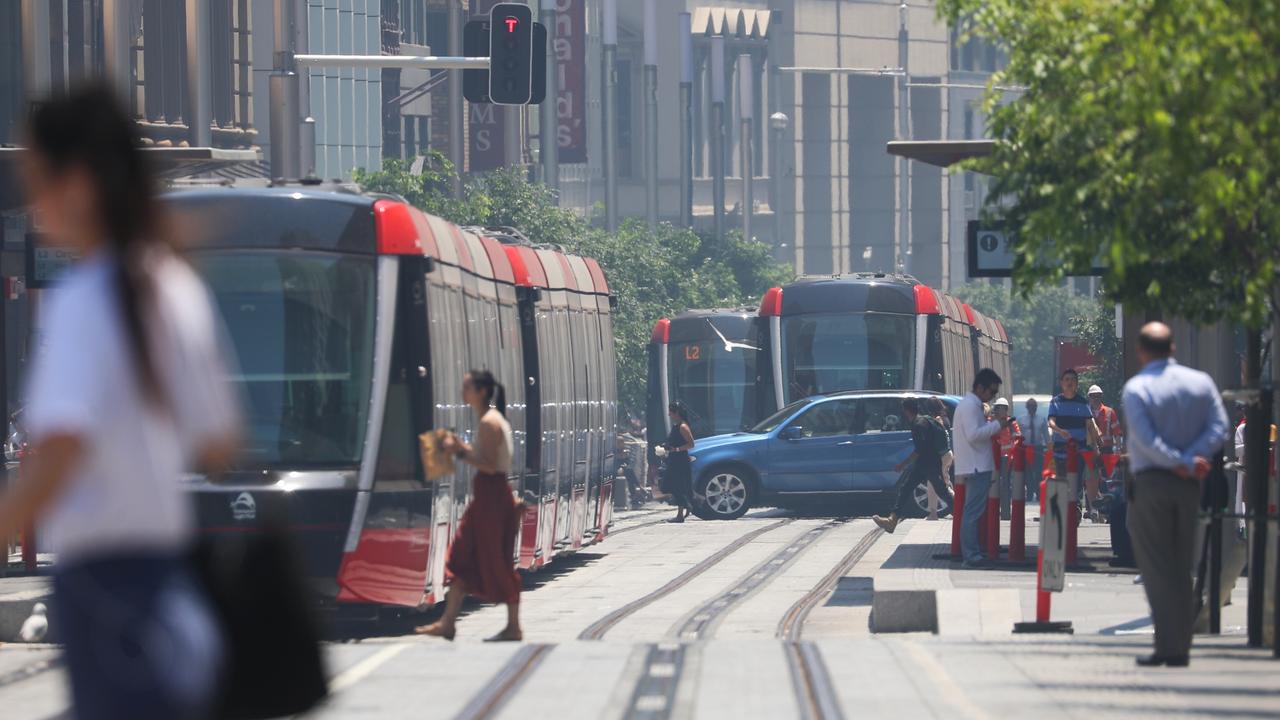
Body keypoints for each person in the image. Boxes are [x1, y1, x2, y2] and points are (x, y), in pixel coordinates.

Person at [0, 85, 239, 719]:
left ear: (77, 183)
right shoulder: (173, 284)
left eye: (37, 179)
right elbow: (218, 441)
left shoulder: (87, 299)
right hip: (171, 592)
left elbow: (59, 451)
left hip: (105, 596)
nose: (32, 200)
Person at [1122, 322, 1228, 667]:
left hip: (1152, 482)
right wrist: (1192, 458)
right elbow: (1219, 427)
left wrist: (1177, 461)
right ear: (1173, 349)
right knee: (1183, 564)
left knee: (1156, 566)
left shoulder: (1137, 388)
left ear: (1141, 351)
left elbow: (1144, 438)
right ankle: (1179, 644)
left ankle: (1168, 645)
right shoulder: (1201, 383)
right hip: (1189, 484)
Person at [417, 370, 523, 642]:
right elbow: (485, 457)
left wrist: (459, 452)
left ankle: (513, 626)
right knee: (463, 558)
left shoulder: (490, 422)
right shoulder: (489, 419)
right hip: (488, 497)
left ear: (481, 391)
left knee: (493, 560)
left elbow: (487, 465)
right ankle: (448, 623)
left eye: (467, 387)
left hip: (492, 497)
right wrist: (460, 447)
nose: (462, 392)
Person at [952, 368, 1010, 568]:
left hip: (975, 464)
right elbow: (974, 434)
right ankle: (971, 556)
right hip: (976, 465)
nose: (993, 397)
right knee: (972, 512)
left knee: (972, 511)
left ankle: (972, 554)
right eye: (991, 392)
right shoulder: (970, 407)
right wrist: (997, 426)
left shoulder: (970, 405)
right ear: (980, 388)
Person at [873, 398, 953, 533]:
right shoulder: (922, 420)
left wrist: (902, 464)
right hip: (924, 464)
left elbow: (919, 450)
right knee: (906, 488)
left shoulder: (919, 424)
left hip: (929, 463)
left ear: (906, 410)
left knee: (942, 492)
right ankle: (892, 520)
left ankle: (965, 518)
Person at [1048, 369, 1103, 507]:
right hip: (1060, 450)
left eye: (1072, 379)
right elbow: (1051, 422)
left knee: (1077, 480)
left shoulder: (1083, 403)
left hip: (1079, 450)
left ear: (1077, 383)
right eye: (1067, 379)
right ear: (1062, 383)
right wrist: (1060, 431)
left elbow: (1090, 425)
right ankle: (1063, 507)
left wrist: (1096, 444)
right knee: (1062, 480)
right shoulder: (1055, 402)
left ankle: (1076, 506)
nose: (1069, 382)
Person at [662, 401, 696, 523]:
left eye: (671, 412)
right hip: (673, 460)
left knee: (678, 486)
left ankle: (681, 513)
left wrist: (676, 449)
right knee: (669, 485)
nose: (669, 414)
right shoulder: (676, 426)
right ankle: (688, 505)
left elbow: (691, 444)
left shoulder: (683, 427)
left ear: (677, 413)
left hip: (680, 461)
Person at [992, 398, 1022, 519]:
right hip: (993, 458)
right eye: (997, 408)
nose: (999, 411)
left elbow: (1018, 435)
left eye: (1001, 408)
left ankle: (1005, 513)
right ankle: (994, 511)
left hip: (1007, 458)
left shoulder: (1011, 422)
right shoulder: (992, 421)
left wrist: (1015, 434)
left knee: (1005, 485)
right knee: (994, 485)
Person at [1020, 397, 1049, 501]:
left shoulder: (1041, 419)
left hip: (1038, 448)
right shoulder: (1021, 419)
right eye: (1030, 407)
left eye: (1034, 407)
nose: (1032, 408)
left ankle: (1038, 493)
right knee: (1027, 472)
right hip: (1025, 449)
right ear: (1027, 408)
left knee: (1039, 472)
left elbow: (1046, 435)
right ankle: (1029, 493)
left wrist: (1049, 448)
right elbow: (1018, 434)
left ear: (1036, 408)